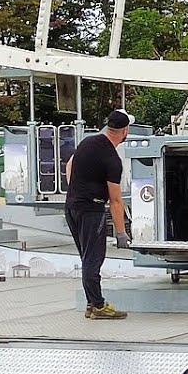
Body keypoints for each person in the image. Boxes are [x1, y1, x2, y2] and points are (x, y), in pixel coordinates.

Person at [64, 109, 132, 320]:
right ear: (125, 131)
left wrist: (76, 189)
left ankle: (91, 303)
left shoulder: (87, 142)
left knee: (86, 257)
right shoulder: (112, 160)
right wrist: (121, 233)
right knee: (93, 259)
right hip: (90, 211)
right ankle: (100, 306)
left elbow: (69, 165)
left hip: (72, 207)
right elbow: (115, 200)